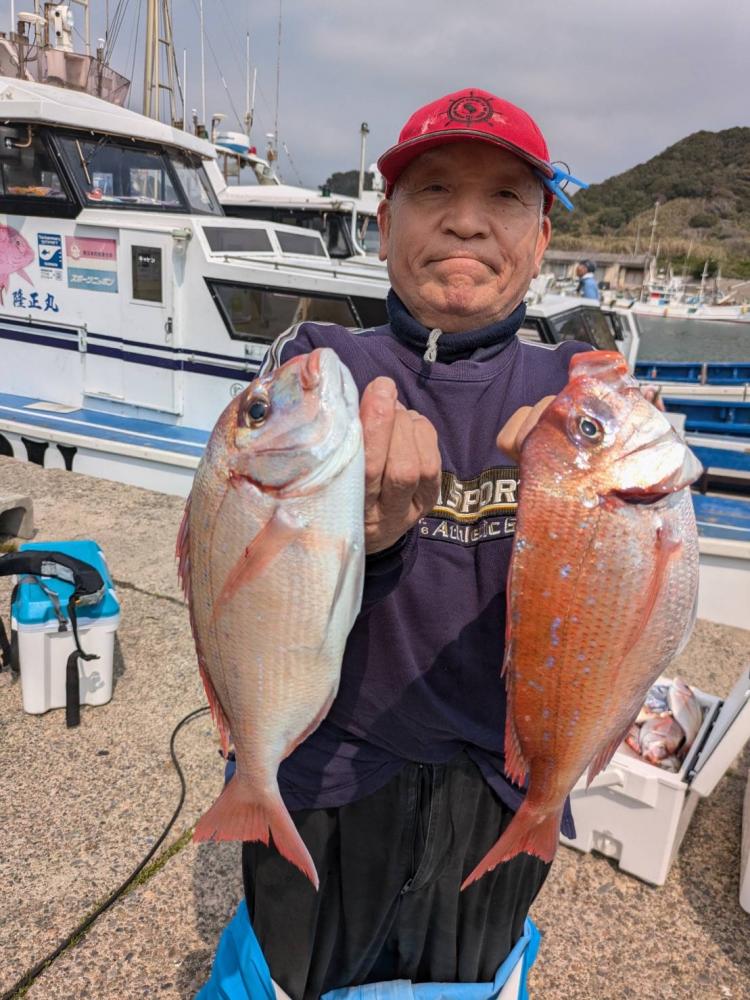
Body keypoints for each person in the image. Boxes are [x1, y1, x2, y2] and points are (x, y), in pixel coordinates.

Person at [238, 88, 591, 1000]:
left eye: (505, 197)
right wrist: (364, 538)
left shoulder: (577, 395)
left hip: (499, 786)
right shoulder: (318, 373)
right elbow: (239, 569)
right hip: (329, 770)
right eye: (434, 190)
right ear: (384, 223)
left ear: (542, 238)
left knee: (466, 983)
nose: (466, 221)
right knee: (290, 979)